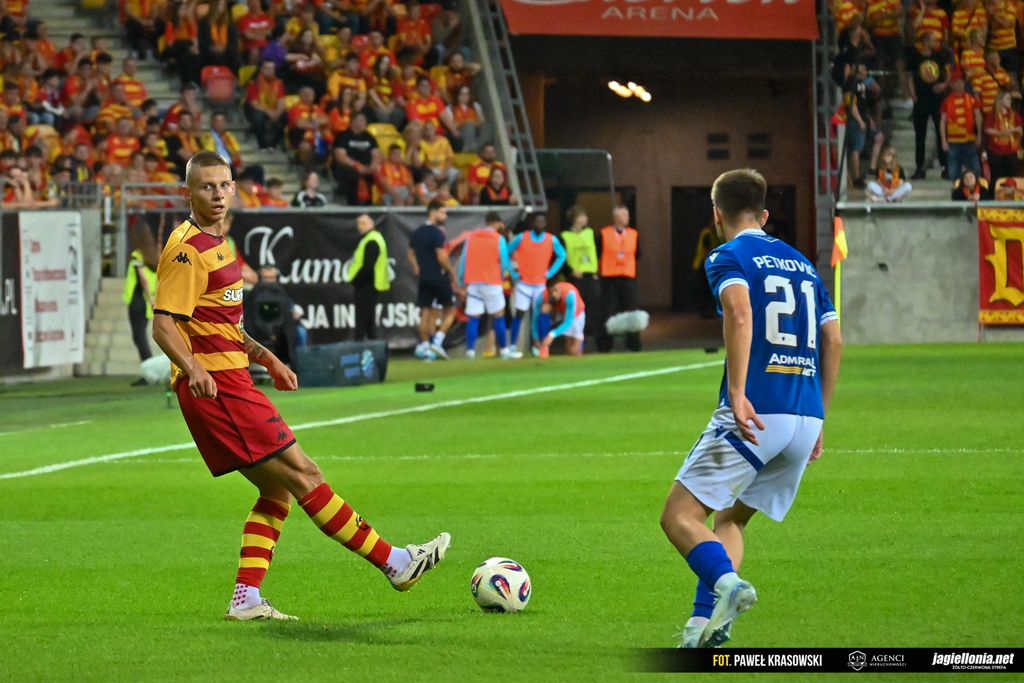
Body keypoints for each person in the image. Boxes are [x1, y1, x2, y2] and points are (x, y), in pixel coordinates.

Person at [150, 150, 450, 621]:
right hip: (219, 388)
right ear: (187, 193)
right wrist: (193, 368)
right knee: (305, 473)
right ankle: (396, 563)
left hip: (230, 379)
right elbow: (163, 324)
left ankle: (246, 599)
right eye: (206, 186)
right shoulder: (187, 249)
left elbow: (224, 324)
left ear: (234, 188)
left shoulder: (220, 243)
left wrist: (267, 356)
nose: (218, 194)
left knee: (278, 492)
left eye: (224, 185)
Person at [659, 168, 843, 649]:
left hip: (757, 412)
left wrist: (737, 391)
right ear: (763, 215)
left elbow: (740, 313)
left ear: (716, 214)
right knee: (729, 520)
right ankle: (701, 630)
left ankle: (730, 586)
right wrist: (820, 415)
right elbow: (834, 340)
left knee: (679, 517)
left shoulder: (728, 255)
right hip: (804, 416)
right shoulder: (805, 266)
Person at [507, 213, 566, 358]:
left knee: (540, 314)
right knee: (519, 314)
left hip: (540, 284)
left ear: (545, 224)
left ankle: (540, 345)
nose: (539, 225)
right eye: (537, 222)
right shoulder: (522, 237)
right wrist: (512, 272)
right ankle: (513, 346)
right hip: (524, 284)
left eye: (542, 222)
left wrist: (550, 272)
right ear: (532, 224)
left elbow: (562, 255)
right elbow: (505, 251)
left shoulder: (551, 239)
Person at [457, 211, 514, 360]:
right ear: (498, 223)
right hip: (492, 282)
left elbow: (463, 260)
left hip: (474, 282)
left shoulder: (471, 237)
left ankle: (470, 352)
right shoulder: (499, 239)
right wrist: (501, 277)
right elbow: (504, 262)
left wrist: (462, 281)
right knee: (498, 316)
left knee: (473, 318)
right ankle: (504, 351)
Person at [407, 199, 458, 360]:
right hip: (438, 276)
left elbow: (410, 253)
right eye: (442, 212)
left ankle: (425, 346)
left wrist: (416, 267)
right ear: (433, 212)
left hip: (424, 277)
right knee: (451, 309)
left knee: (425, 312)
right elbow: (441, 256)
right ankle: (438, 341)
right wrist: (451, 272)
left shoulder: (417, 232)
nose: (445, 216)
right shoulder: (437, 233)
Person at [595, 206, 641, 353]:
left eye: (627, 215)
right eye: (624, 215)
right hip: (609, 278)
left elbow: (638, 254)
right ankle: (605, 344)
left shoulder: (633, 234)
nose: (627, 218)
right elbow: (597, 253)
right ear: (616, 218)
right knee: (607, 312)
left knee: (632, 311)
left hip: (628, 277)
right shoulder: (604, 234)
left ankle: (633, 343)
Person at [907, 31, 951, 179]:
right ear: (925, 42)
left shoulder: (940, 56)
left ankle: (945, 167)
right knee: (920, 136)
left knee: (941, 134)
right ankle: (919, 168)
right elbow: (910, 78)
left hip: (937, 100)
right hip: (921, 100)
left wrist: (944, 85)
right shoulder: (915, 57)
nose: (936, 42)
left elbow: (948, 73)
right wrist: (913, 96)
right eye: (933, 40)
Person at [345, 214, 390, 341]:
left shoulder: (372, 241)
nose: (359, 226)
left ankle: (359, 347)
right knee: (368, 322)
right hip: (370, 284)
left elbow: (367, 266)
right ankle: (373, 347)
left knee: (362, 321)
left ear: (371, 224)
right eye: (358, 223)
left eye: (362, 223)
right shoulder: (372, 239)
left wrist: (356, 282)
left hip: (367, 284)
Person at [940, 68, 982, 183]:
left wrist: (979, 135)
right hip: (953, 142)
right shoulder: (947, 101)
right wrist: (943, 140)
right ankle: (957, 191)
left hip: (969, 140)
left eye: (960, 82)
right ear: (951, 85)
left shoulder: (972, 99)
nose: (959, 85)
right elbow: (943, 121)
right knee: (954, 173)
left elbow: (978, 117)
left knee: (976, 170)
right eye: (956, 83)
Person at [123, 248, 157, 384]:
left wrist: (150, 299)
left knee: (139, 337)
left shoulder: (138, 255)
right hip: (146, 301)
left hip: (139, 299)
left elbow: (143, 278)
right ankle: (151, 372)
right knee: (140, 336)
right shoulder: (153, 256)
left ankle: (151, 373)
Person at [331, 112, 378, 205]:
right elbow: (340, 155)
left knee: (379, 171)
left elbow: (377, 154)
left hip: (368, 167)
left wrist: (372, 166)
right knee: (350, 174)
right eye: (361, 120)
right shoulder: (343, 136)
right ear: (353, 122)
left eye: (365, 120)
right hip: (350, 167)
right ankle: (352, 203)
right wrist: (357, 166)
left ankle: (373, 203)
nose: (365, 122)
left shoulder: (369, 136)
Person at [532, 279, 585, 358]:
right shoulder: (542, 296)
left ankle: (579, 337)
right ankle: (544, 347)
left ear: (559, 287)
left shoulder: (569, 294)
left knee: (572, 351)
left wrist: (552, 335)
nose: (554, 294)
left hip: (574, 314)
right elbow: (535, 319)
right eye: (551, 292)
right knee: (544, 308)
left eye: (556, 290)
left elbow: (569, 321)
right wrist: (535, 337)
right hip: (558, 311)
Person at [984, 89, 1022, 183]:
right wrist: (1002, 133)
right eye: (1007, 99)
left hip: (1011, 151)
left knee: (1012, 176)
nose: (1010, 101)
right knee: (997, 177)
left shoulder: (1014, 114)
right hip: (996, 151)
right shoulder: (992, 114)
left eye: (1010, 99)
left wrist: (1015, 130)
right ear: (1000, 100)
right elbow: (987, 129)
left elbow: (1020, 130)